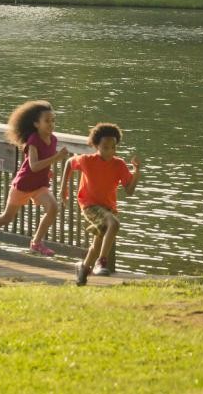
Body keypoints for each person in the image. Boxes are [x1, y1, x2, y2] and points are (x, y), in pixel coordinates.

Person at [0, 100, 69, 263]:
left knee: (53, 208)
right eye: (47, 121)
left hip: (40, 185)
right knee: (6, 217)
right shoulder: (33, 140)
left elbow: (43, 164)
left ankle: (36, 242)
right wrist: (56, 158)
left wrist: (49, 170)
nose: (51, 124)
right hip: (23, 185)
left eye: (53, 120)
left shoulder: (53, 140)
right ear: (36, 123)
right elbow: (34, 165)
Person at [59, 122, 141, 286]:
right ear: (96, 145)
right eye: (105, 147)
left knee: (97, 243)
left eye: (113, 147)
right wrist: (63, 189)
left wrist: (137, 172)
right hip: (89, 205)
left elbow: (129, 190)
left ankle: (82, 270)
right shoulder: (87, 160)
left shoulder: (119, 164)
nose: (109, 151)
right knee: (114, 223)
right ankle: (102, 262)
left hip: (108, 207)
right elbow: (69, 163)